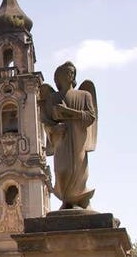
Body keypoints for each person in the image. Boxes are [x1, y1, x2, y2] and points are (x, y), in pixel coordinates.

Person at [39, 62, 97, 210]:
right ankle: (66, 200)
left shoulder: (85, 95)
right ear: (58, 77)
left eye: (72, 72)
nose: (70, 74)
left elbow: (91, 117)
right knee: (61, 170)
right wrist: (55, 128)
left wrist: (69, 112)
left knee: (78, 169)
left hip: (78, 139)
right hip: (61, 140)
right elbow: (46, 121)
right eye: (66, 72)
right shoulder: (53, 98)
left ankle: (80, 201)